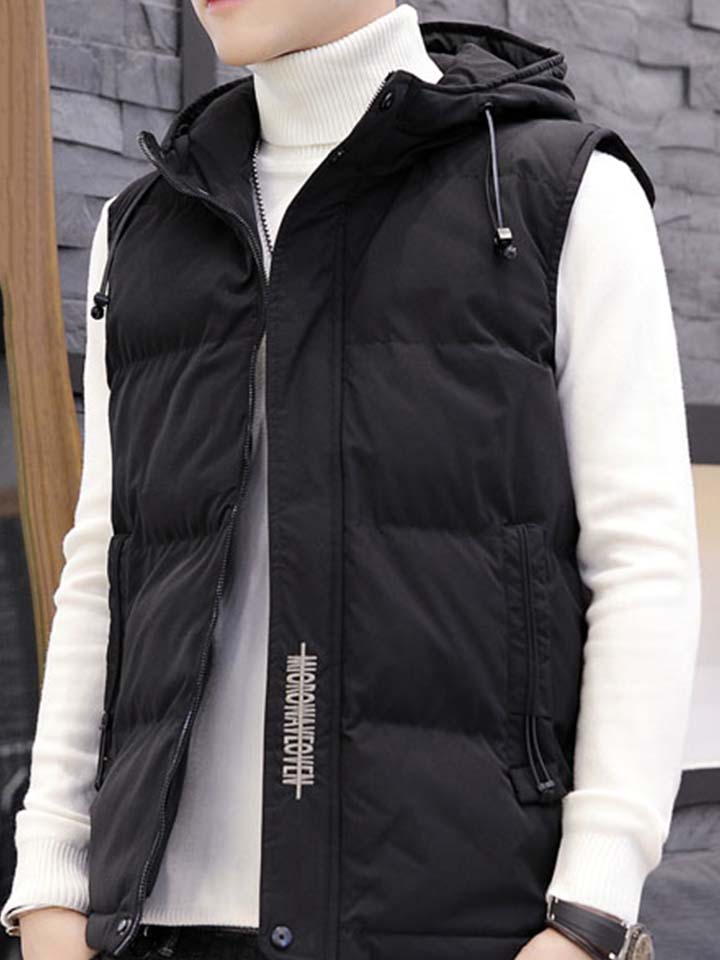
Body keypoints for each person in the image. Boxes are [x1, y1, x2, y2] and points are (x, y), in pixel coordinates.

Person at [2, 3, 702, 960]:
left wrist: (590, 914)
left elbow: (642, 565)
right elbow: (106, 569)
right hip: (157, 926)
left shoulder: (558, 192)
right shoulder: (144, 228)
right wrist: (49, 878)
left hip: (460, 920)